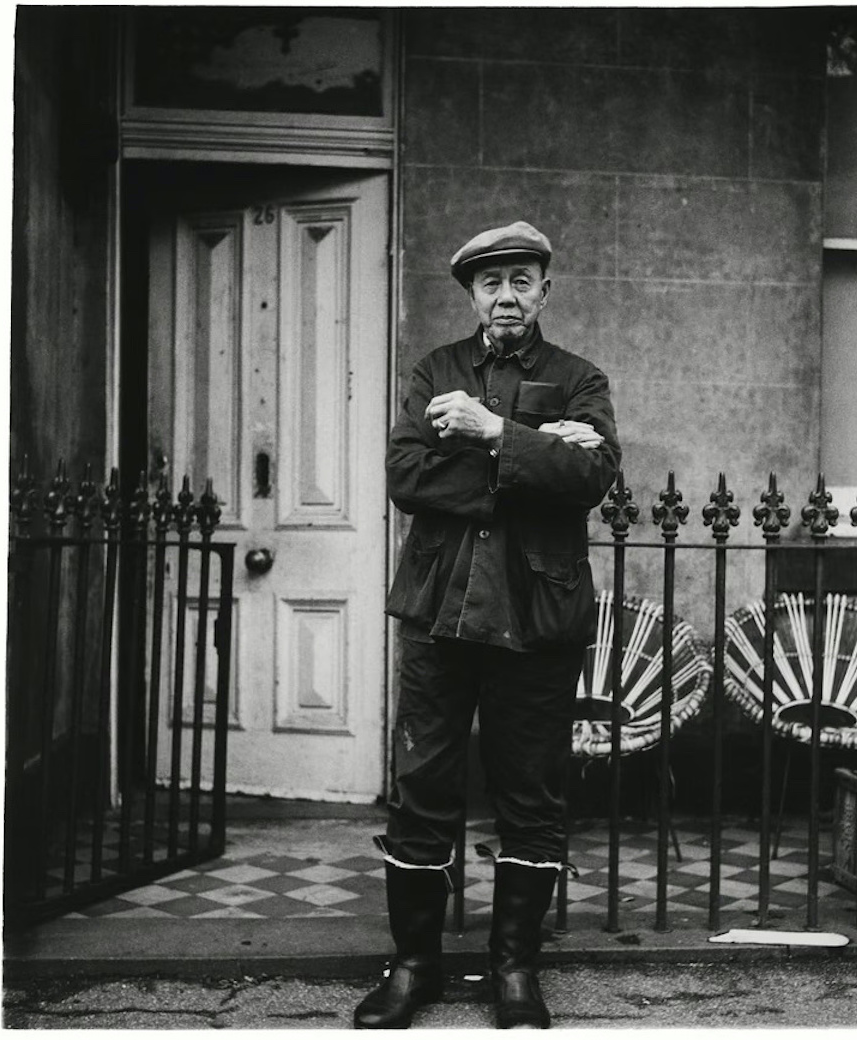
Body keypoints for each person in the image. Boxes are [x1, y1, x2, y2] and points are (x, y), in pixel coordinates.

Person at [354, 221, 621, 1030]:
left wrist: (496, 433)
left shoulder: (581, 378)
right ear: (472, 294)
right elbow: (406, 475)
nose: (506, 295)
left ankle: (514, 971)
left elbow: (596, 474)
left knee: (530, 794)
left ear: (546, 288)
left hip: (537, 617)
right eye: (491, 283)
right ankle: (414, 967)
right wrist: (538, 455)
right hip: (439, 613)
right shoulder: (436, 370)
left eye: (522, 280)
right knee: (423, 787)